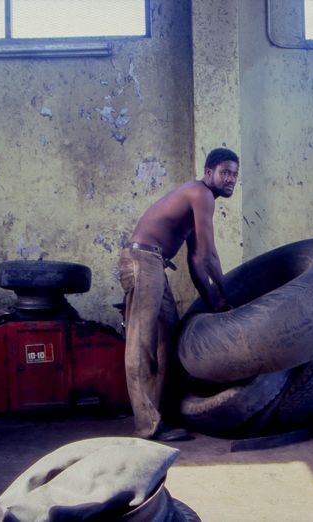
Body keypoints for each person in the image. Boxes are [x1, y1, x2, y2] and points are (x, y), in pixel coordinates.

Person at [118, 147, 239, 441]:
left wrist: (216, 305)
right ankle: (147, 426)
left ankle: (161, 418)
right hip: (142, 260)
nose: (231, 179)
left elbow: (196, 261)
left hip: (154, 264)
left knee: (165, 341)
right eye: (225, 172)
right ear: (208, 173)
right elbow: (210, 256)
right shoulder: (202, 194)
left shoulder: (199, 201)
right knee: (142, 342)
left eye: (235, 175)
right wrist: (226, 295)